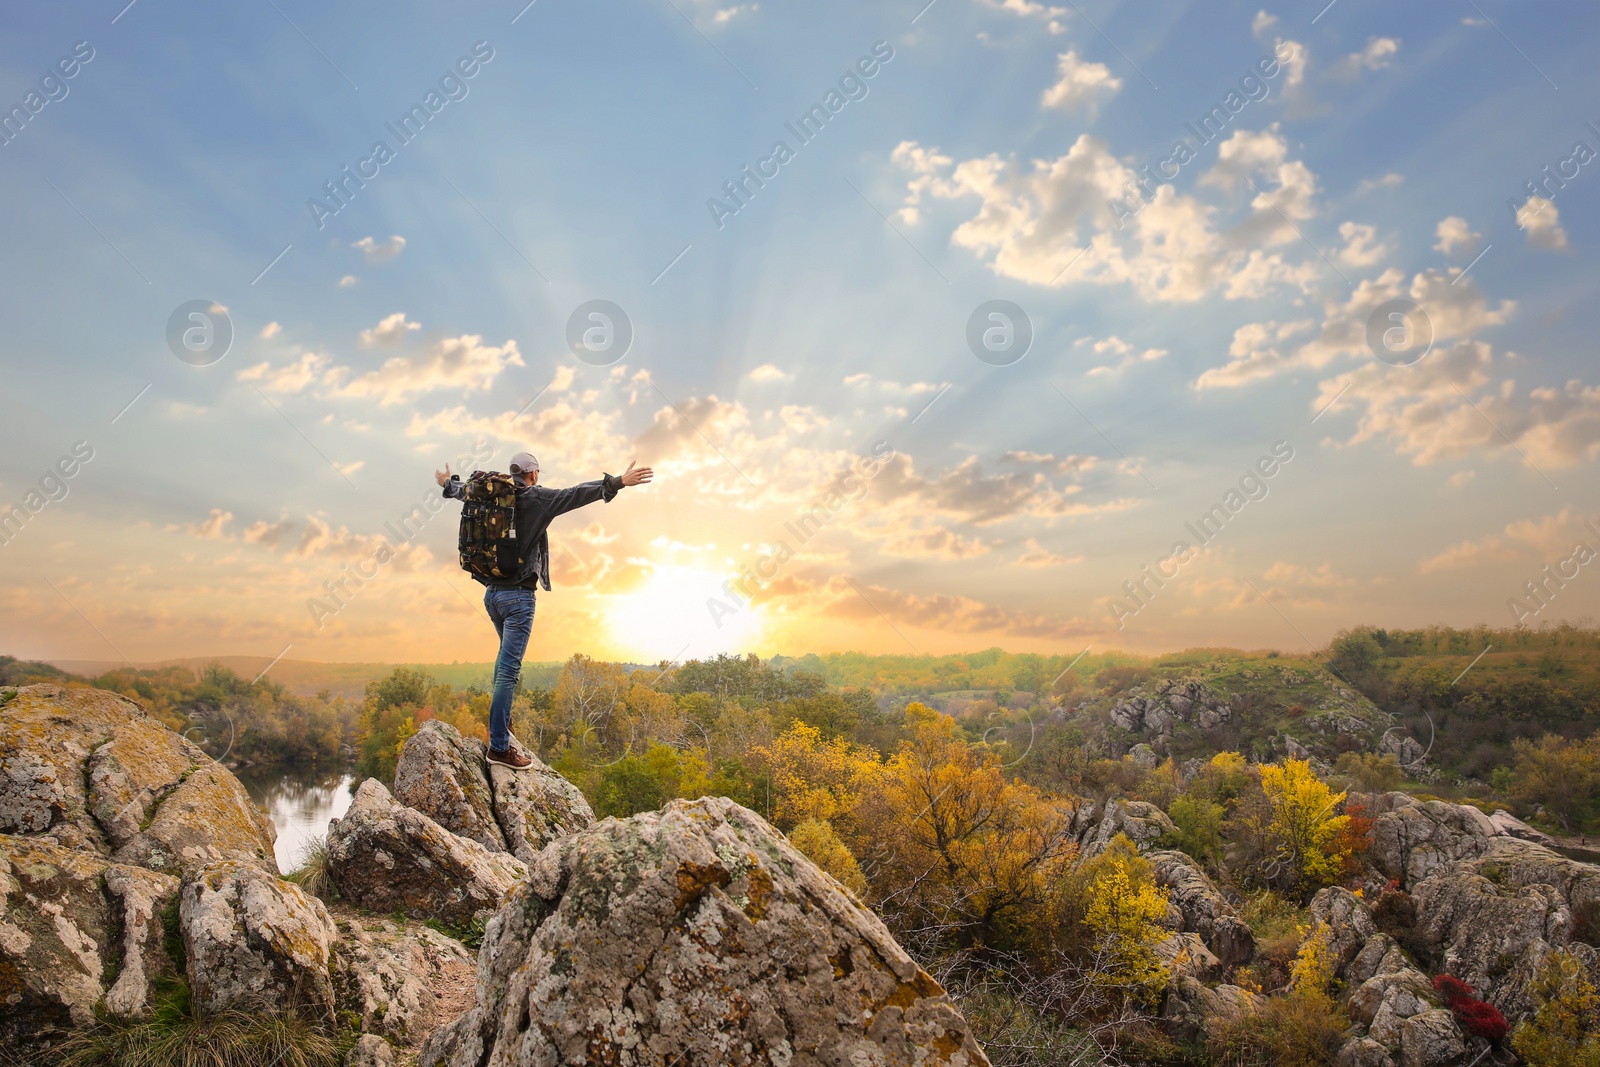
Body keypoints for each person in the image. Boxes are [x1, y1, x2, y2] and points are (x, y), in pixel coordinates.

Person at [435, 450, 653, 769]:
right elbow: (576, 494)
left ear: (512, 473)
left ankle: (502, 726)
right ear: (533, 474)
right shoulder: (536, 498)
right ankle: (498, 747)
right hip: (518, 598)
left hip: (491, 594)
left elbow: (458, 491)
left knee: (503, 665)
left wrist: (446, 482)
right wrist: (618, 482)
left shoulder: (486, 492)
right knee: (508, 671)